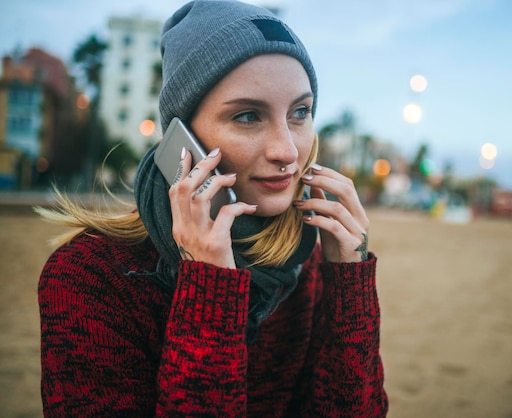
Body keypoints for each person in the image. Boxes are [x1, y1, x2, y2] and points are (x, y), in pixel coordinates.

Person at [37, 0, 388, 416]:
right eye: (246, 116)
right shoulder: (88, 277)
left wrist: (350, 286)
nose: (288, 150)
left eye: (300, 112)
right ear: (181, 141)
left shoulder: (305, 263)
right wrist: (209, 291)